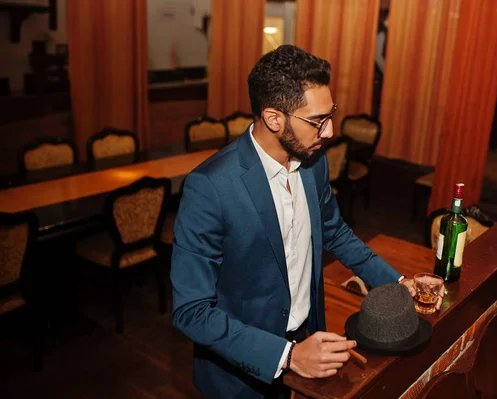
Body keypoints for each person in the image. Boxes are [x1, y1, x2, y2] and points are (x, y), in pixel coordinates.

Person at [171, 44, 444, 399]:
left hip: (308, 341)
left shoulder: (313, 162)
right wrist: (286, 356)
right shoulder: (210, 187)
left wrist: (398, 282)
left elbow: (335, 232)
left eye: (329, 115)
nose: (329, 132)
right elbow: (191, 311)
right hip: (240, 371)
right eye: (317, 121)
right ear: (274, 119)